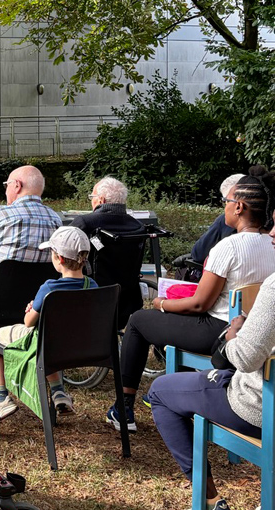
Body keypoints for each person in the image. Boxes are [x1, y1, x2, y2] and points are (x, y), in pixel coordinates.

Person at [109, 167, 275, 432]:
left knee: (140, 320)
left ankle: (123, 407)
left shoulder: (228, 247)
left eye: (227, 202)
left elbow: (200, 304)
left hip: (220, 331)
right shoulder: (271, 244)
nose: (225, 208)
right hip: (253, 330)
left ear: (240, 207)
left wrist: (161, 304)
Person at [148, 223, 275, 510]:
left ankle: (210, 503)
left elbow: (245, 357)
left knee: (160, 391)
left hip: (259, 408)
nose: (271, 233)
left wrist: (234, 335)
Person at [0, 226, 96, 419]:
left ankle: (0, 398)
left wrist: (31, 309)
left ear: (59, 259)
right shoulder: (93, 286)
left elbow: (28, 323)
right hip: (80, 347)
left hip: (46, 345)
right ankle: (58, 392)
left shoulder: (49, 288)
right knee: (53, 341)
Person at [0, 165, 62, 294]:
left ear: (17, 185)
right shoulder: (56, 220)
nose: (5, 191)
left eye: (6, 185)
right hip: (39, 302)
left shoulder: (3, 215)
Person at [69, 177, 145, 324]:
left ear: (101, 200)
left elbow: (61, 252)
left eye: (92, 197)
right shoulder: (138, 226)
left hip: (89, 302)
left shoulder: (85, 223)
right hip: (127, 304)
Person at [186, 173, 246, 275]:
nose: (225, 207)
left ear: (238, 206)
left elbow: (198, 253)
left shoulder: (229, 244)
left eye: (226, 201)